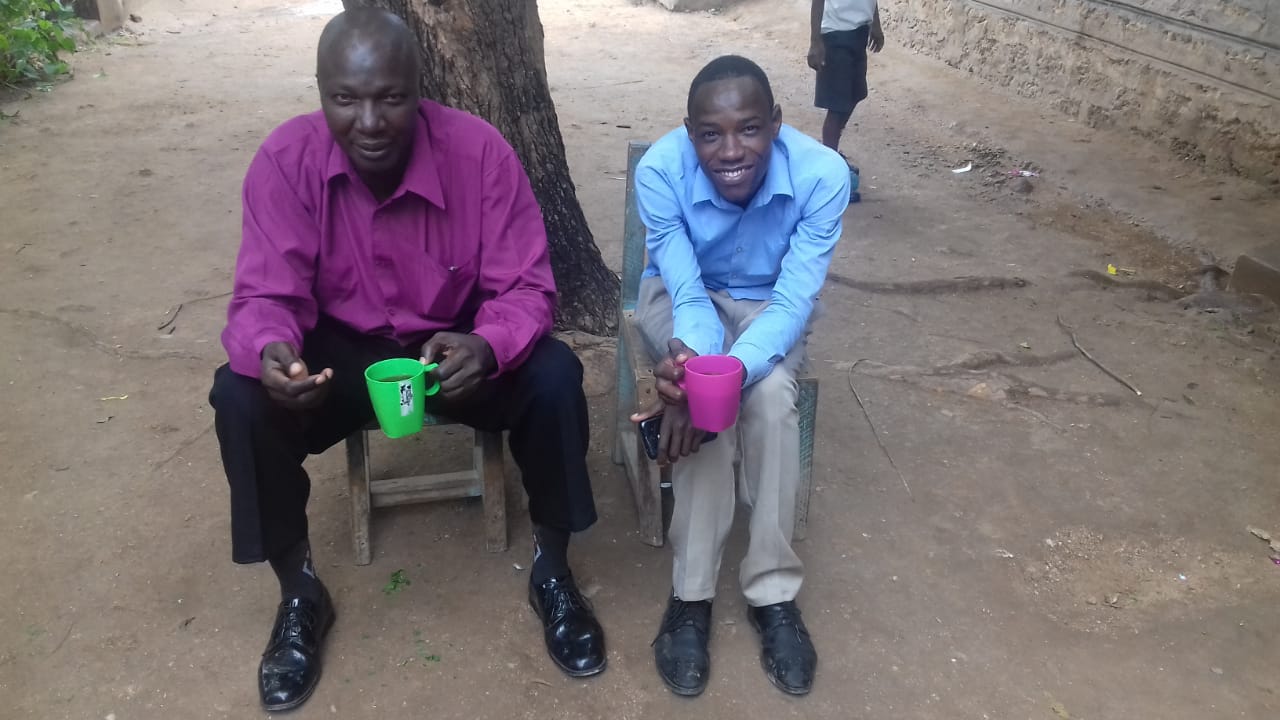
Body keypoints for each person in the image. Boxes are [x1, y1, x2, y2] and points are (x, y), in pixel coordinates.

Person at [207, 8, 606, 712]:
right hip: (341, 356)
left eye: (390, 97)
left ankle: (552, 568)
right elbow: (266, 292)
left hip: (452, 349)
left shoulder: (479, 153)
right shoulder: (285, 161)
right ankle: (299, 591)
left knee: (554, 377)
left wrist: (489, 343)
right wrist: (274, 351)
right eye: (345, 98)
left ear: (419, 89)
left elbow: (526, 286)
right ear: (321, 90)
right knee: (240, 396)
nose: (369, 121)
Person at [629, 55, 850, 697]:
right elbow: (687, 295)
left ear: (776, 123)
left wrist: (712, 380)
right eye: (710, 134)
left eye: (749, 129)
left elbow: (792, 302)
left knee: (772, 396)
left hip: (769, 304)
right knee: (708, 405)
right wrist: (699, 376)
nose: (730, 151)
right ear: (689, 132)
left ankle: (772, 593)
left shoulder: (822, 176)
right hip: (683, 298)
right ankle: (691, 594)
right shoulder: (661, 171)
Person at [807, 0, 884, 199]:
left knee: (854, 95)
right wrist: (815, 41)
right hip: (835, 34)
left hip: (859, 31)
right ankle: (830, 180)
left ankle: (830, 155)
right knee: (837, 106)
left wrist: (875, 24)